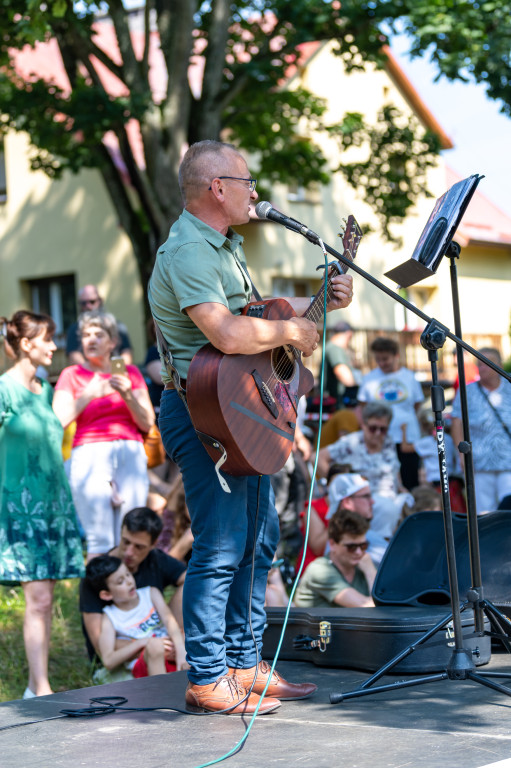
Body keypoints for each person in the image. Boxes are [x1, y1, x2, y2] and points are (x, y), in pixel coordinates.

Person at [148, 139, 354, 714]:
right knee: (219, 545)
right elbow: (229, 335)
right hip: (203, 411)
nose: (255, 191)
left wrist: (318, 306)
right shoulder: (189, 250)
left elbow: (256, 316)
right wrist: (294, 334)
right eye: (246, 181)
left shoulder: (225, 247)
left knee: (258, 542)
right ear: (217, 188)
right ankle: (208, 676)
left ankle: (244, 663)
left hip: (241, 408)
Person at [0, 311, 85, 698]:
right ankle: (42, 687)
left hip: (53, 502)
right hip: (21, 505)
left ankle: (37, 685)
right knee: (37, 597)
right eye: (47, 339)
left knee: (46, 598)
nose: (54, 346)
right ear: (26, 344)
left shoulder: (44, 389)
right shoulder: (4, 390)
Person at [53, 311, 154, 560]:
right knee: (99, 539)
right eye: (86, 335)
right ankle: (99, 596)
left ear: (112, 342)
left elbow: (147, 423)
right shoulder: (72, 374)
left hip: (129, 449)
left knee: (130, 535)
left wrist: (128, 395)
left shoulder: (129, 372)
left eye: (99, 334)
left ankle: (130, 595)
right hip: (89, 452)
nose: (91, 340)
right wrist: (88, 394)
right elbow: (57, 422)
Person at [79, 506, 186, 663]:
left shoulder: (156, 559)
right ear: (121, 532)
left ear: (153, 544)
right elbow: (99, 645)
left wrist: (173, 636)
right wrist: (154, 647)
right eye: (126, 542)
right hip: (123, 655)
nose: (129, 552)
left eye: (139, 547)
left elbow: (193, 579)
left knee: (192, 586)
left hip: (158, 639)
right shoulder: (98, 573)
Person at [318, 402, 412, 540]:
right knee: (387, 509)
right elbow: (318, 457)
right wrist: (337, 484)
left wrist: (401, 486)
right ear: (364, 424)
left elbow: (393, 469)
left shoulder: (388, 442)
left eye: (383, 429)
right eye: (373, 428)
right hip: (366, 503)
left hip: (391, 501)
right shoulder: (352, 442)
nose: (378, 433)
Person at [84, 554, 187, 677]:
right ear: (107, 594)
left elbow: (169, 621)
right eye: (120, 581)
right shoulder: (110, 617)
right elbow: (108, 660)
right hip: (145, 665)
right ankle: (162, 693)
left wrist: (181, 652)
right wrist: (142, 642)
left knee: (187, 635)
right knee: (155, 645)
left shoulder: (151, 593)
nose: (129, 582)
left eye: (128, 574)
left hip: (172, 653)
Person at [357, 337, 424, 490]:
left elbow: (417, 403)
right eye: (378, 359)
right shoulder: (369, 378)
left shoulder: (409, 377)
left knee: (410, 478)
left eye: (385, 359)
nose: (381, 363)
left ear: (396, 356)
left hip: (407, 437)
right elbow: (363, 407)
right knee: (384, 480)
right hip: (380, 435)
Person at [451, 347, 511, 514]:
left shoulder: (509, 385)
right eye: (479, 364)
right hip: (479, 462)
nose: (482, 368)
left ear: (499, 364)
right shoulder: (467, 390)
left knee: (508, 510)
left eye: (486, 363)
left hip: (508, 461)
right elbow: (457, 422)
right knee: (484, 513)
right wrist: (461, 454)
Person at [295, 509, 375, 608]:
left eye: (363, 546)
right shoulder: (320, 570)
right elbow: (367, 606)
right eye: (352, 547)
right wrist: (370, 571)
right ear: (332, 544)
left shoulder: (362, 566)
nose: (359, 552)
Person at [326, 472, 389, 565]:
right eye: (366, 496)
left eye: (363, 546)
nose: (372, 501)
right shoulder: (340, 544)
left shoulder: (367, 533)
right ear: (347, 502)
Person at [66, 284, 133, 366]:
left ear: (100, 301)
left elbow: (126, 354)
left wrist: (115, 372)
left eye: (92, 301)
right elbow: (74, 356)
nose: (88, 306)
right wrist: (92, 373)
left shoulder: (117, 326)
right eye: (83, 303)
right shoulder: (74, 329)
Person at [324, 320, 361, 409]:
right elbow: (341, 371)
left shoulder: (331, 347)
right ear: (349, 334)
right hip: (337, 403)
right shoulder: (335, 349)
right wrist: (356, 392)